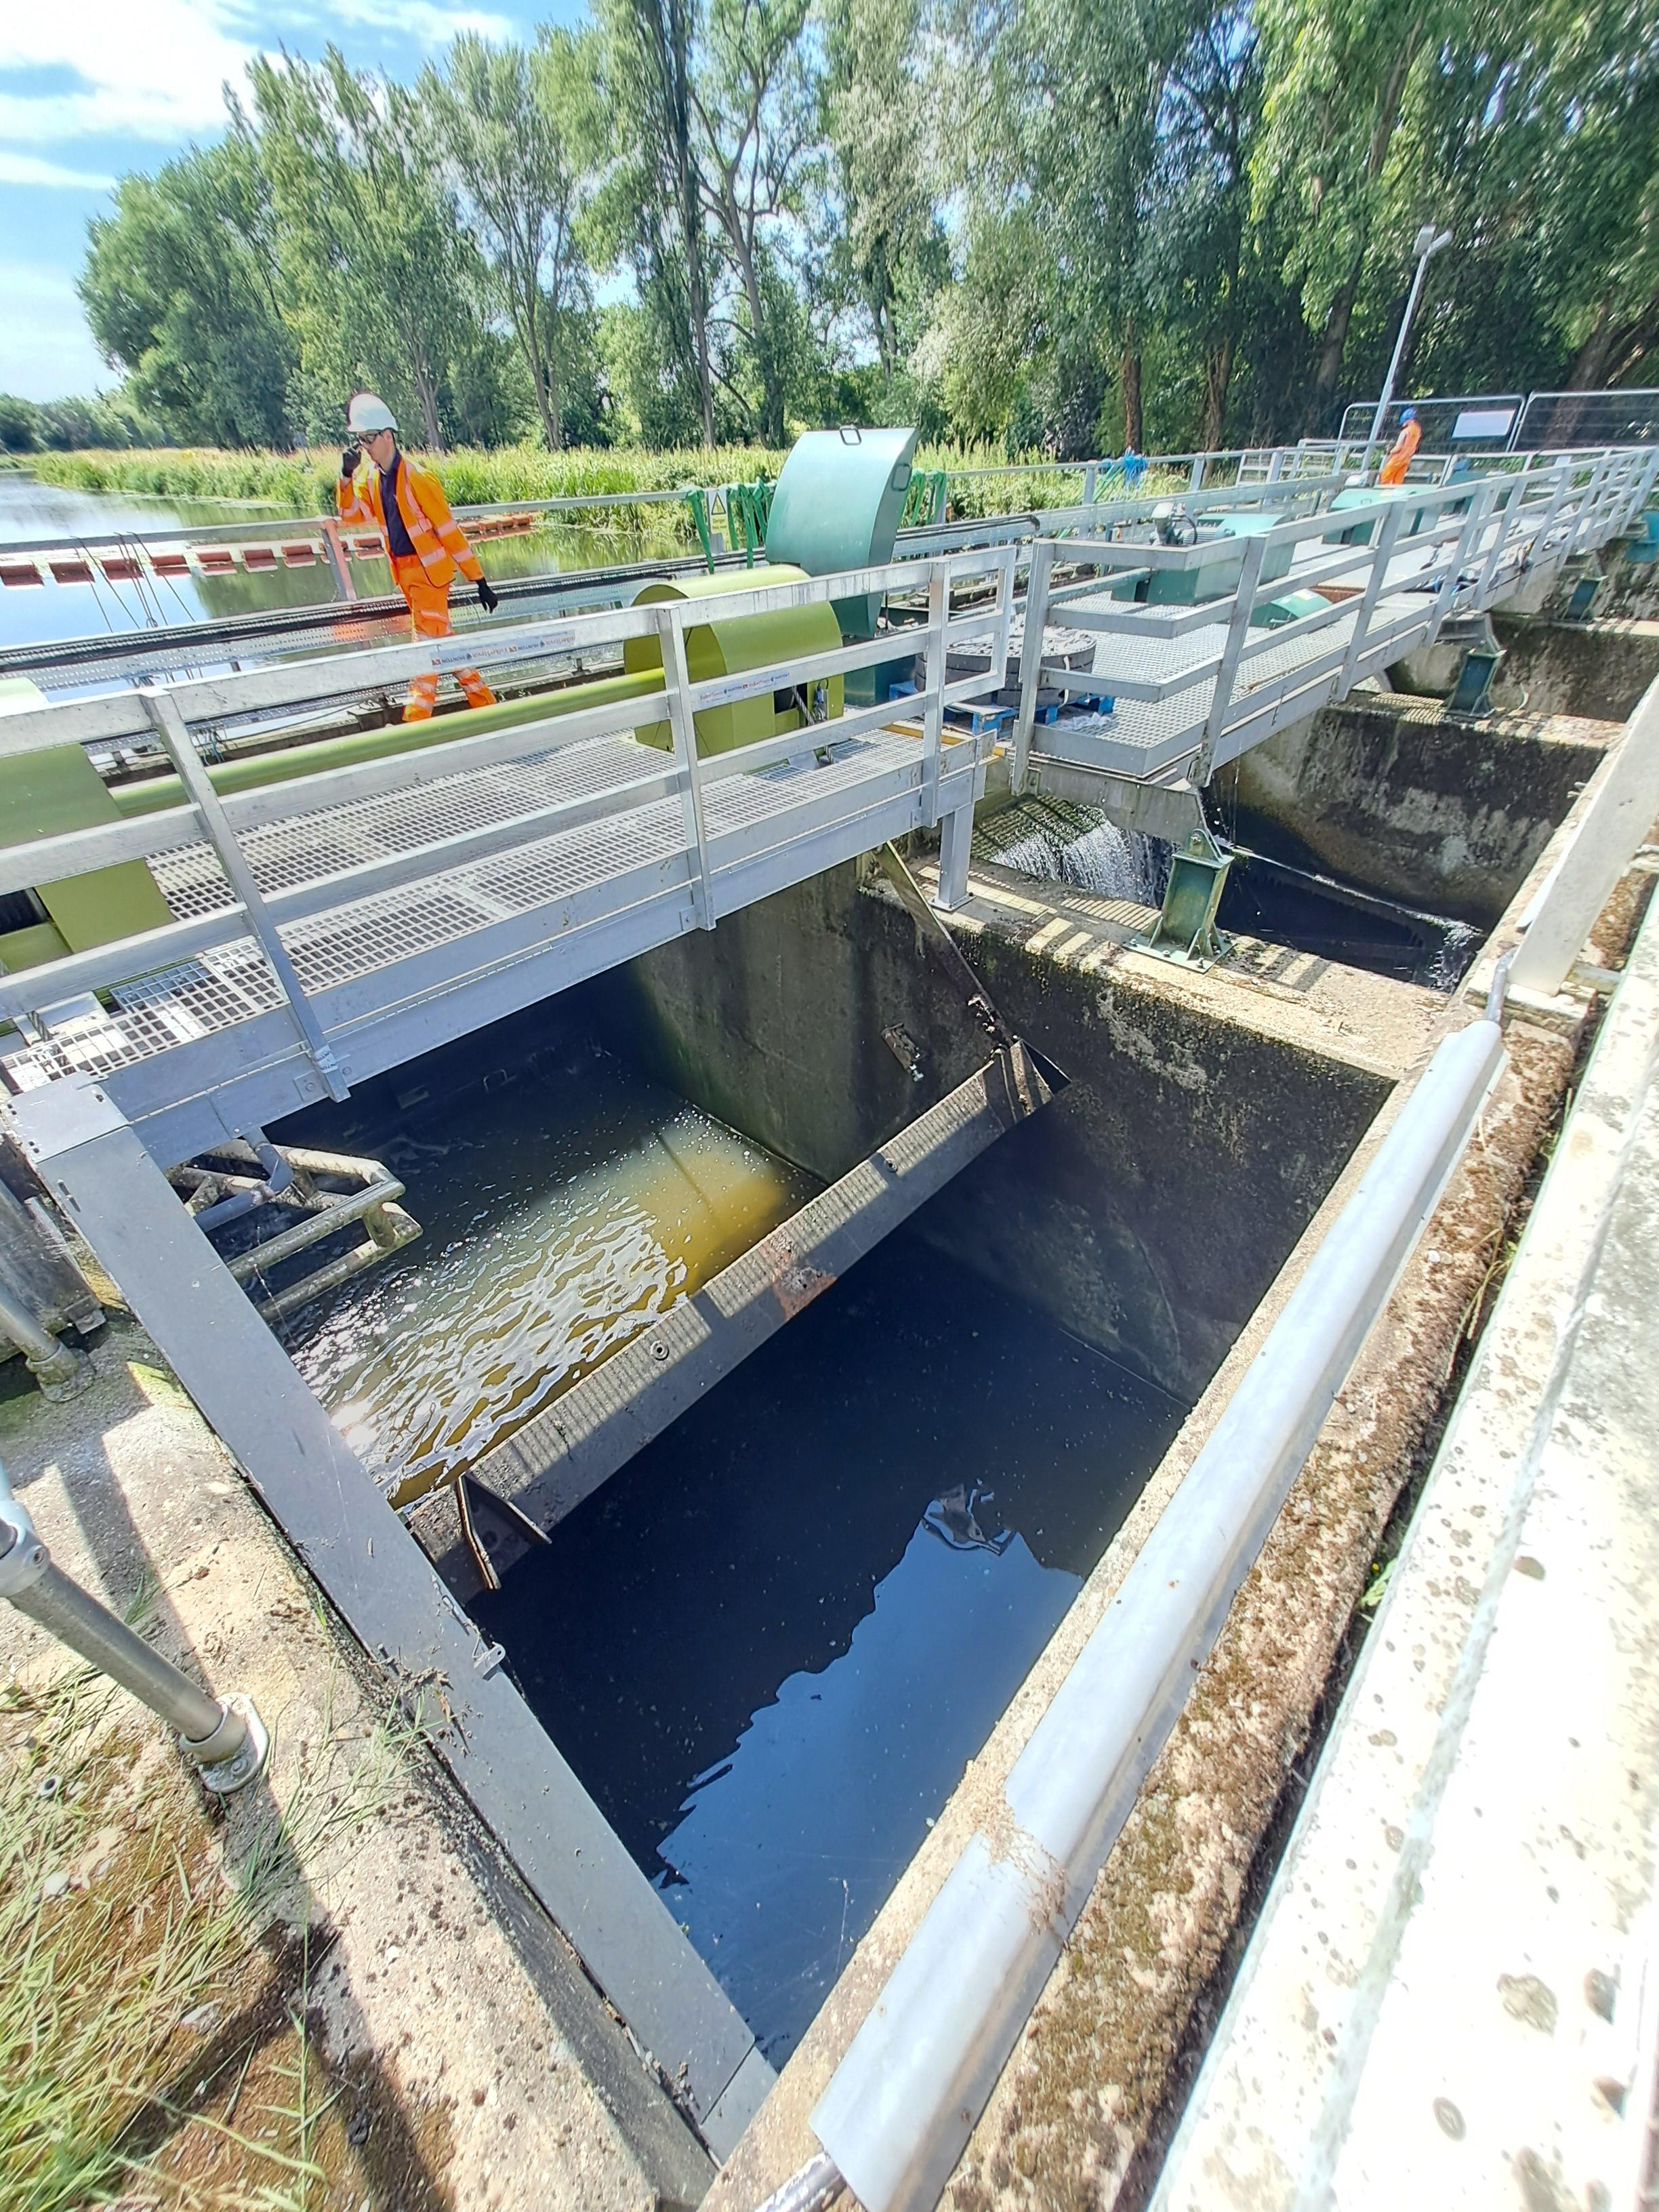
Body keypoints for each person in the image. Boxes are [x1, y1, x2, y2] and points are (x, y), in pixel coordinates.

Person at [337, 393, 499, 722]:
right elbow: (351, 516)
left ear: (387, 436)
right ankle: (488, 706)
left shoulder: (418, 478)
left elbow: (448, 531)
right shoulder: (369, 479)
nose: (364, 447)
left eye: (368, 438)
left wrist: (478, 579)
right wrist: (344, 477)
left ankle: (414, 725)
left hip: (430, 578)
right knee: (445, 646)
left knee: (424, 655)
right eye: (360, 440)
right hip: (405, 577)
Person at [1377, 405, 1422, 487]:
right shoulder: (1417, 430)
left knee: (1385, 479)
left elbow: (1399, 448)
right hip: (1407, 459)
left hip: (1397, 459)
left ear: (1407, 420)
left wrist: (1390, 451)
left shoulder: (1405, 432)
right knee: (1398, 482)